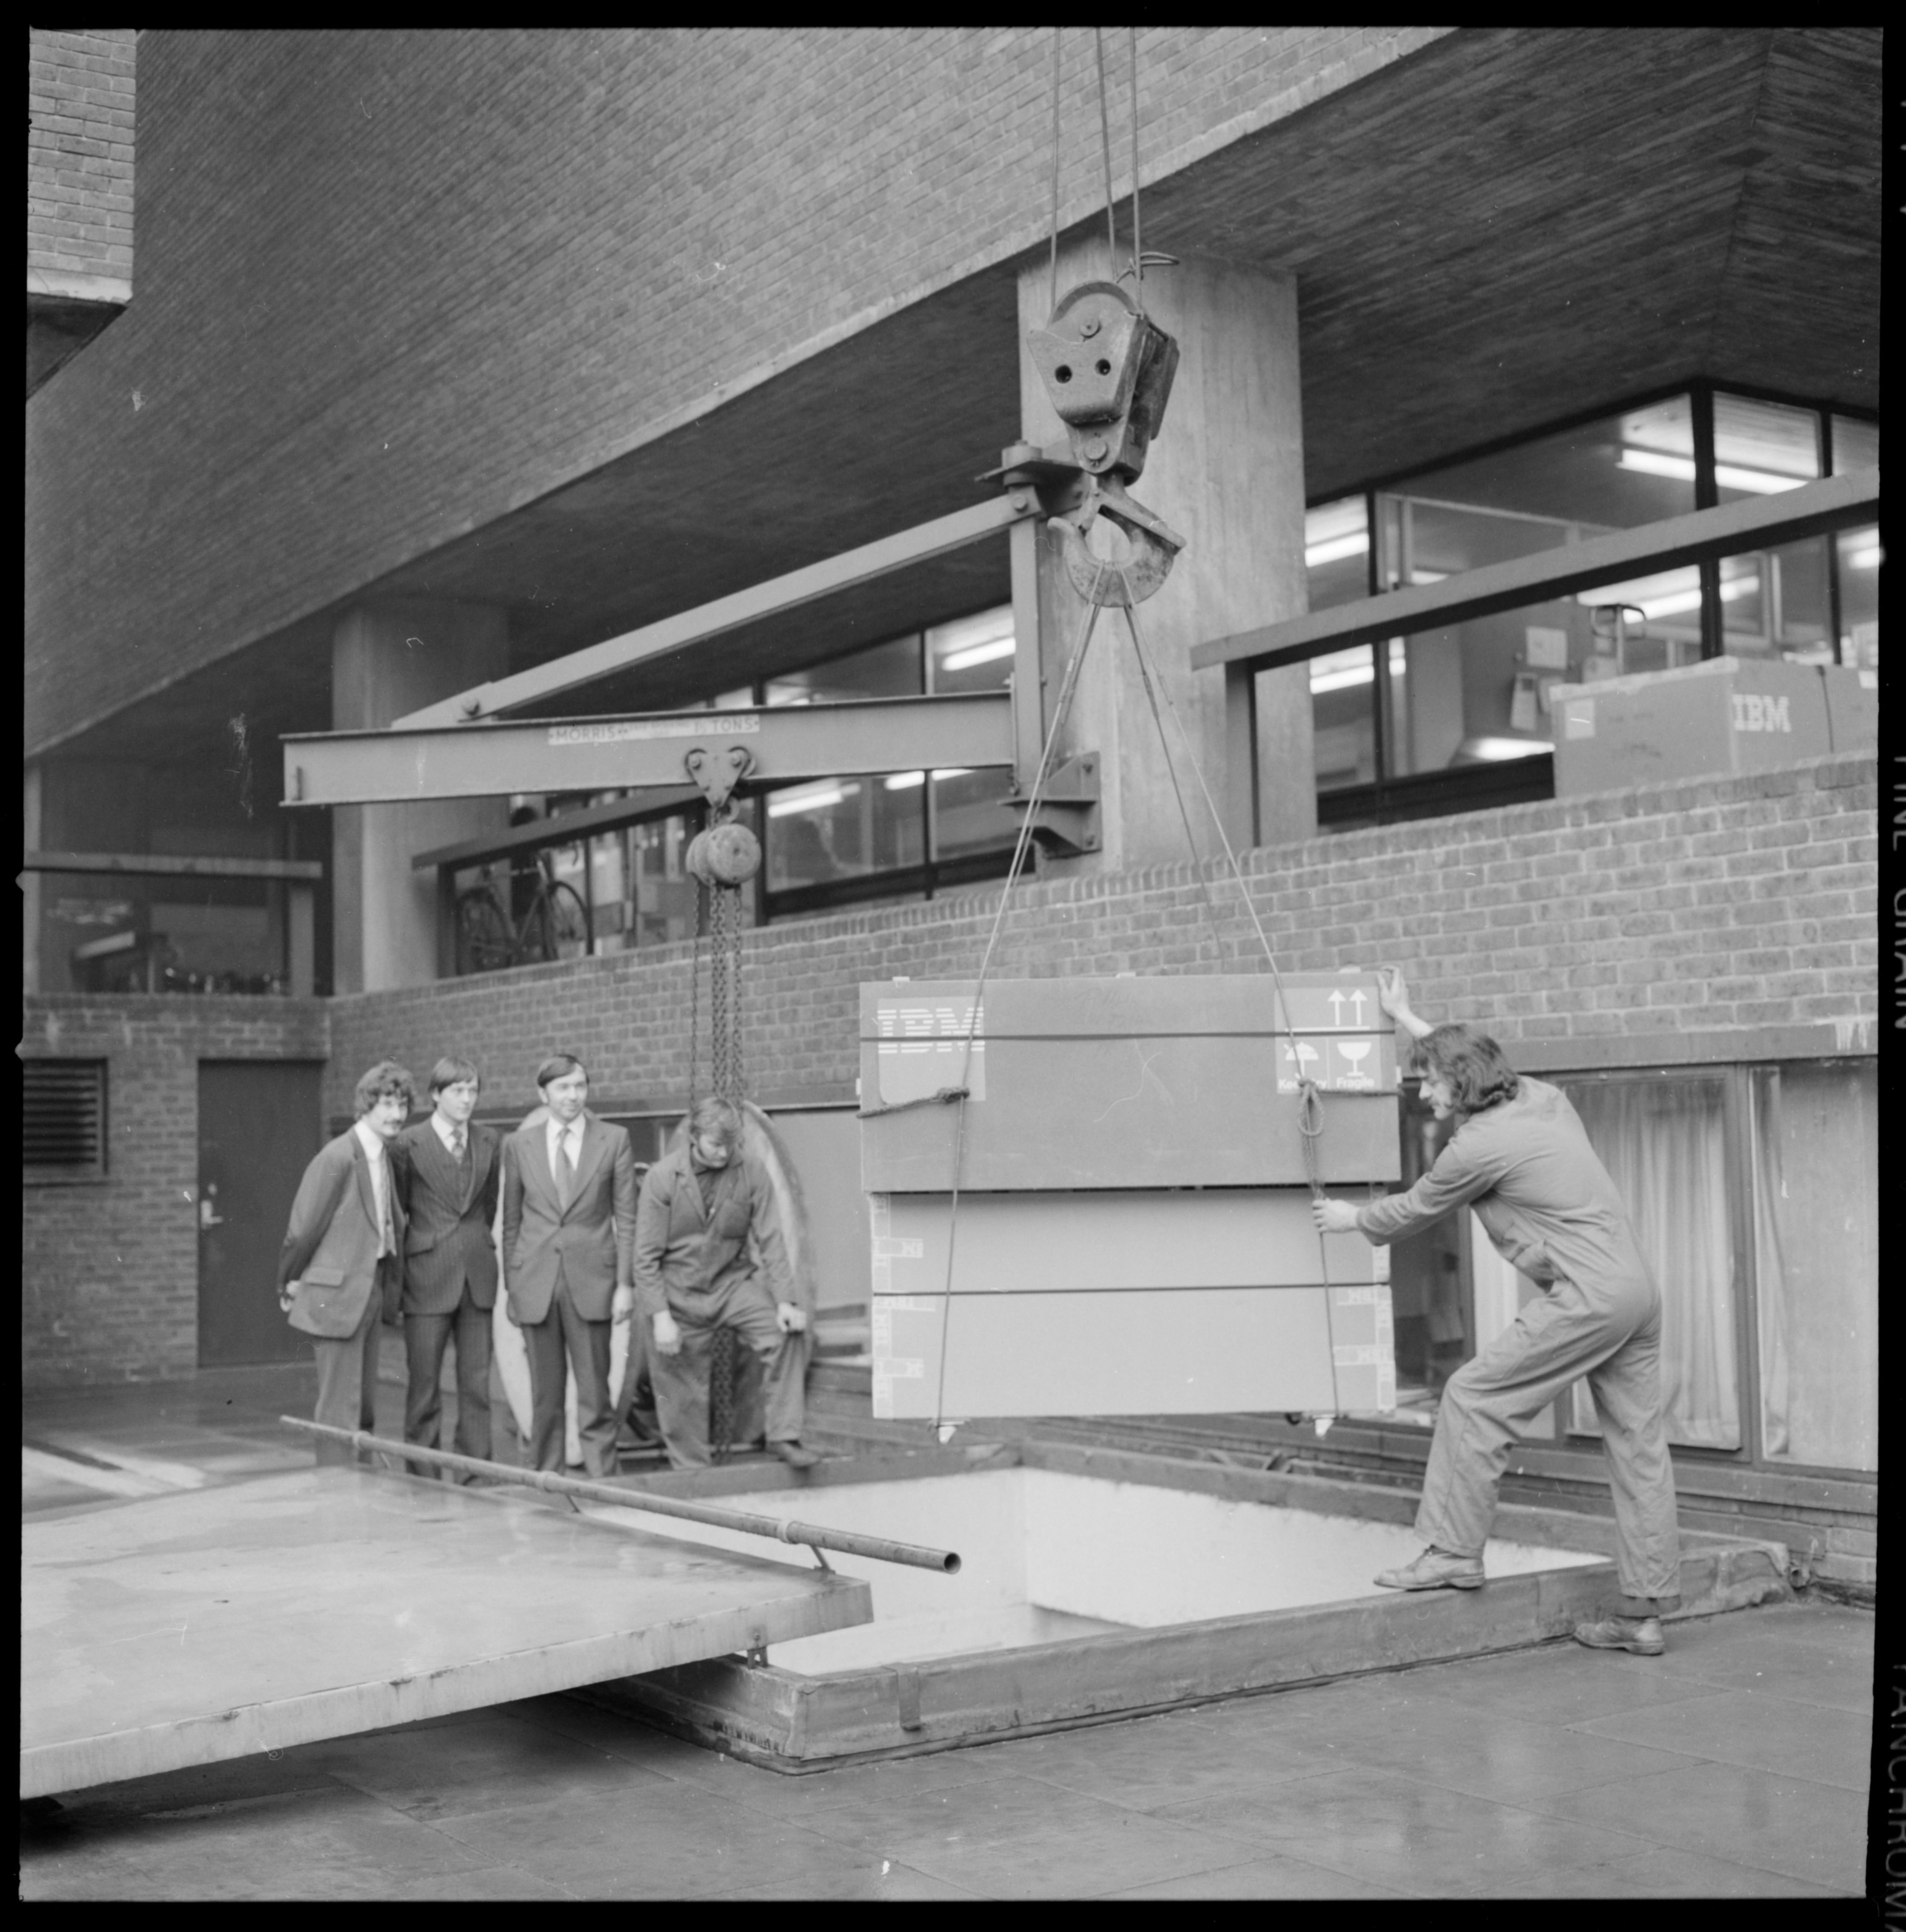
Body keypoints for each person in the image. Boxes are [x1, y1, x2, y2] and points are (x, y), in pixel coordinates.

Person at [1311, 967, 1681, 1657]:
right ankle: (1645, 1613)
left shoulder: (1476, 1147)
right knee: (1639, 1447)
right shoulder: (1543, 1099)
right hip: (1637, 1290)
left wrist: (1348, 1216)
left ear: (1459, 1084)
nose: (1422, 1093)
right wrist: (1408, 1015)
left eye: (1429, 1082)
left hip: (1590, 1295)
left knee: (1473, 1394)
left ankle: (1452, 1550)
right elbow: (1475, 1056)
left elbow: (1413, 1209)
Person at [633, 1096, 819, 1471]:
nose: (724, 1153)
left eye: (731, 1145)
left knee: (786, 1333)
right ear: (695, 1137)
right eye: (716, 1145)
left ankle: (783, 1435)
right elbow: (645, 1258)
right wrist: (660, 1317)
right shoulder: (662, 1178)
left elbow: (772, 1240)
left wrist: (786, 1301)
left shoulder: (752, 1172)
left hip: (731, 1284)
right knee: (679, 1383)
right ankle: (693, 1471)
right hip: (678, 1291)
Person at [500, 1053, 638, 1478]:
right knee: (545, 1396)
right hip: (536, 1283)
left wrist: (624, 1285)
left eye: (580, 1086)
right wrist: (513, 1286)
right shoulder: (518, 1145)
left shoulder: (613, 1139)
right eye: (562, 1088)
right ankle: (547, 1482)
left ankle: (605, 1485)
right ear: (544, 1094)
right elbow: (511, 1223)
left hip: (593, 1281)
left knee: (596, 1392)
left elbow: (627, 1219)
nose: (572, 1096)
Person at [278, 1060, 413, 1466]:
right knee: (339, 1407)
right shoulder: (337, 1157)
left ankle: (360, 1487)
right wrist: (287, 1281)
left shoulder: (384, 1156)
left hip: (369, 1288)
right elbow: (302, 1231)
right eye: (387, 1104)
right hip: (336, 1295)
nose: (397, 1114)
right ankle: (336, 1493)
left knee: (363, 1404)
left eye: (403, 1104)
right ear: (365, 1106)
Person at [391, 1057, 502, 1479]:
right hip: (427, 1276)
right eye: (458, 1090)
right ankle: (423, 1474)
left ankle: (475, 1473)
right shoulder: (407, 1144)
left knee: (476, 1384)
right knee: (424, 1386)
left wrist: (473, 1243)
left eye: (473, 1090)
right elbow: (402, 1209)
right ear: (436, 1094)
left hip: (477, 1275)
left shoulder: (491, 1141)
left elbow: (487, 1207)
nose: (467, 1099)